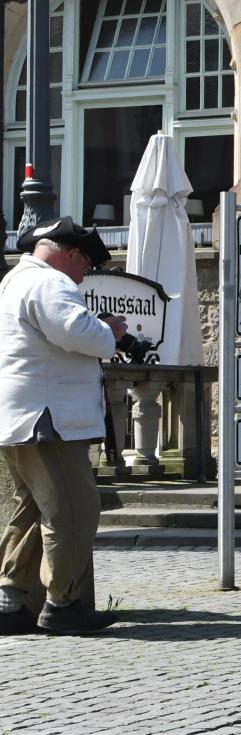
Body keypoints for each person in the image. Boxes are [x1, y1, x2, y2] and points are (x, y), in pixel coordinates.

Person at [0, 218, 125, 634]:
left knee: (33, 511)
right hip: (48, 420)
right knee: (73, 511)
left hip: (23, 417)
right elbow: (78, 334)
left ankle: (13, 601)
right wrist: (110, 330)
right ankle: (63, 603)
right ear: (70, 254)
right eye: (86, 265)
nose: (84, 275)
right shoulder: (50, 283)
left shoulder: (16, 280)